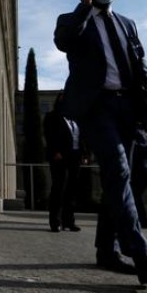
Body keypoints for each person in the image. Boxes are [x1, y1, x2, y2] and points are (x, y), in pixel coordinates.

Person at [53, 0, 147, 285]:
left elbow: (141, 69)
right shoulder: (73, 19)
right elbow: (63, 42)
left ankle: (107, 249)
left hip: (128, 108)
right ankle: (139, 252)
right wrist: (84, 8)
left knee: (122, 180)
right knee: (117, 172)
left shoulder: (128, 25)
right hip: (97, 107)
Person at [43, 93, 83, 233]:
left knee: (71, 190)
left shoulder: (76, 118)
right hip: (59, 157)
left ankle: (69, 221)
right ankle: (55, 222)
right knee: (58, 188)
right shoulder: (52, 117)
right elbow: (49, 135)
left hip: (75, 157)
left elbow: (81, 137)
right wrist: (56, 151)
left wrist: (84, 154)